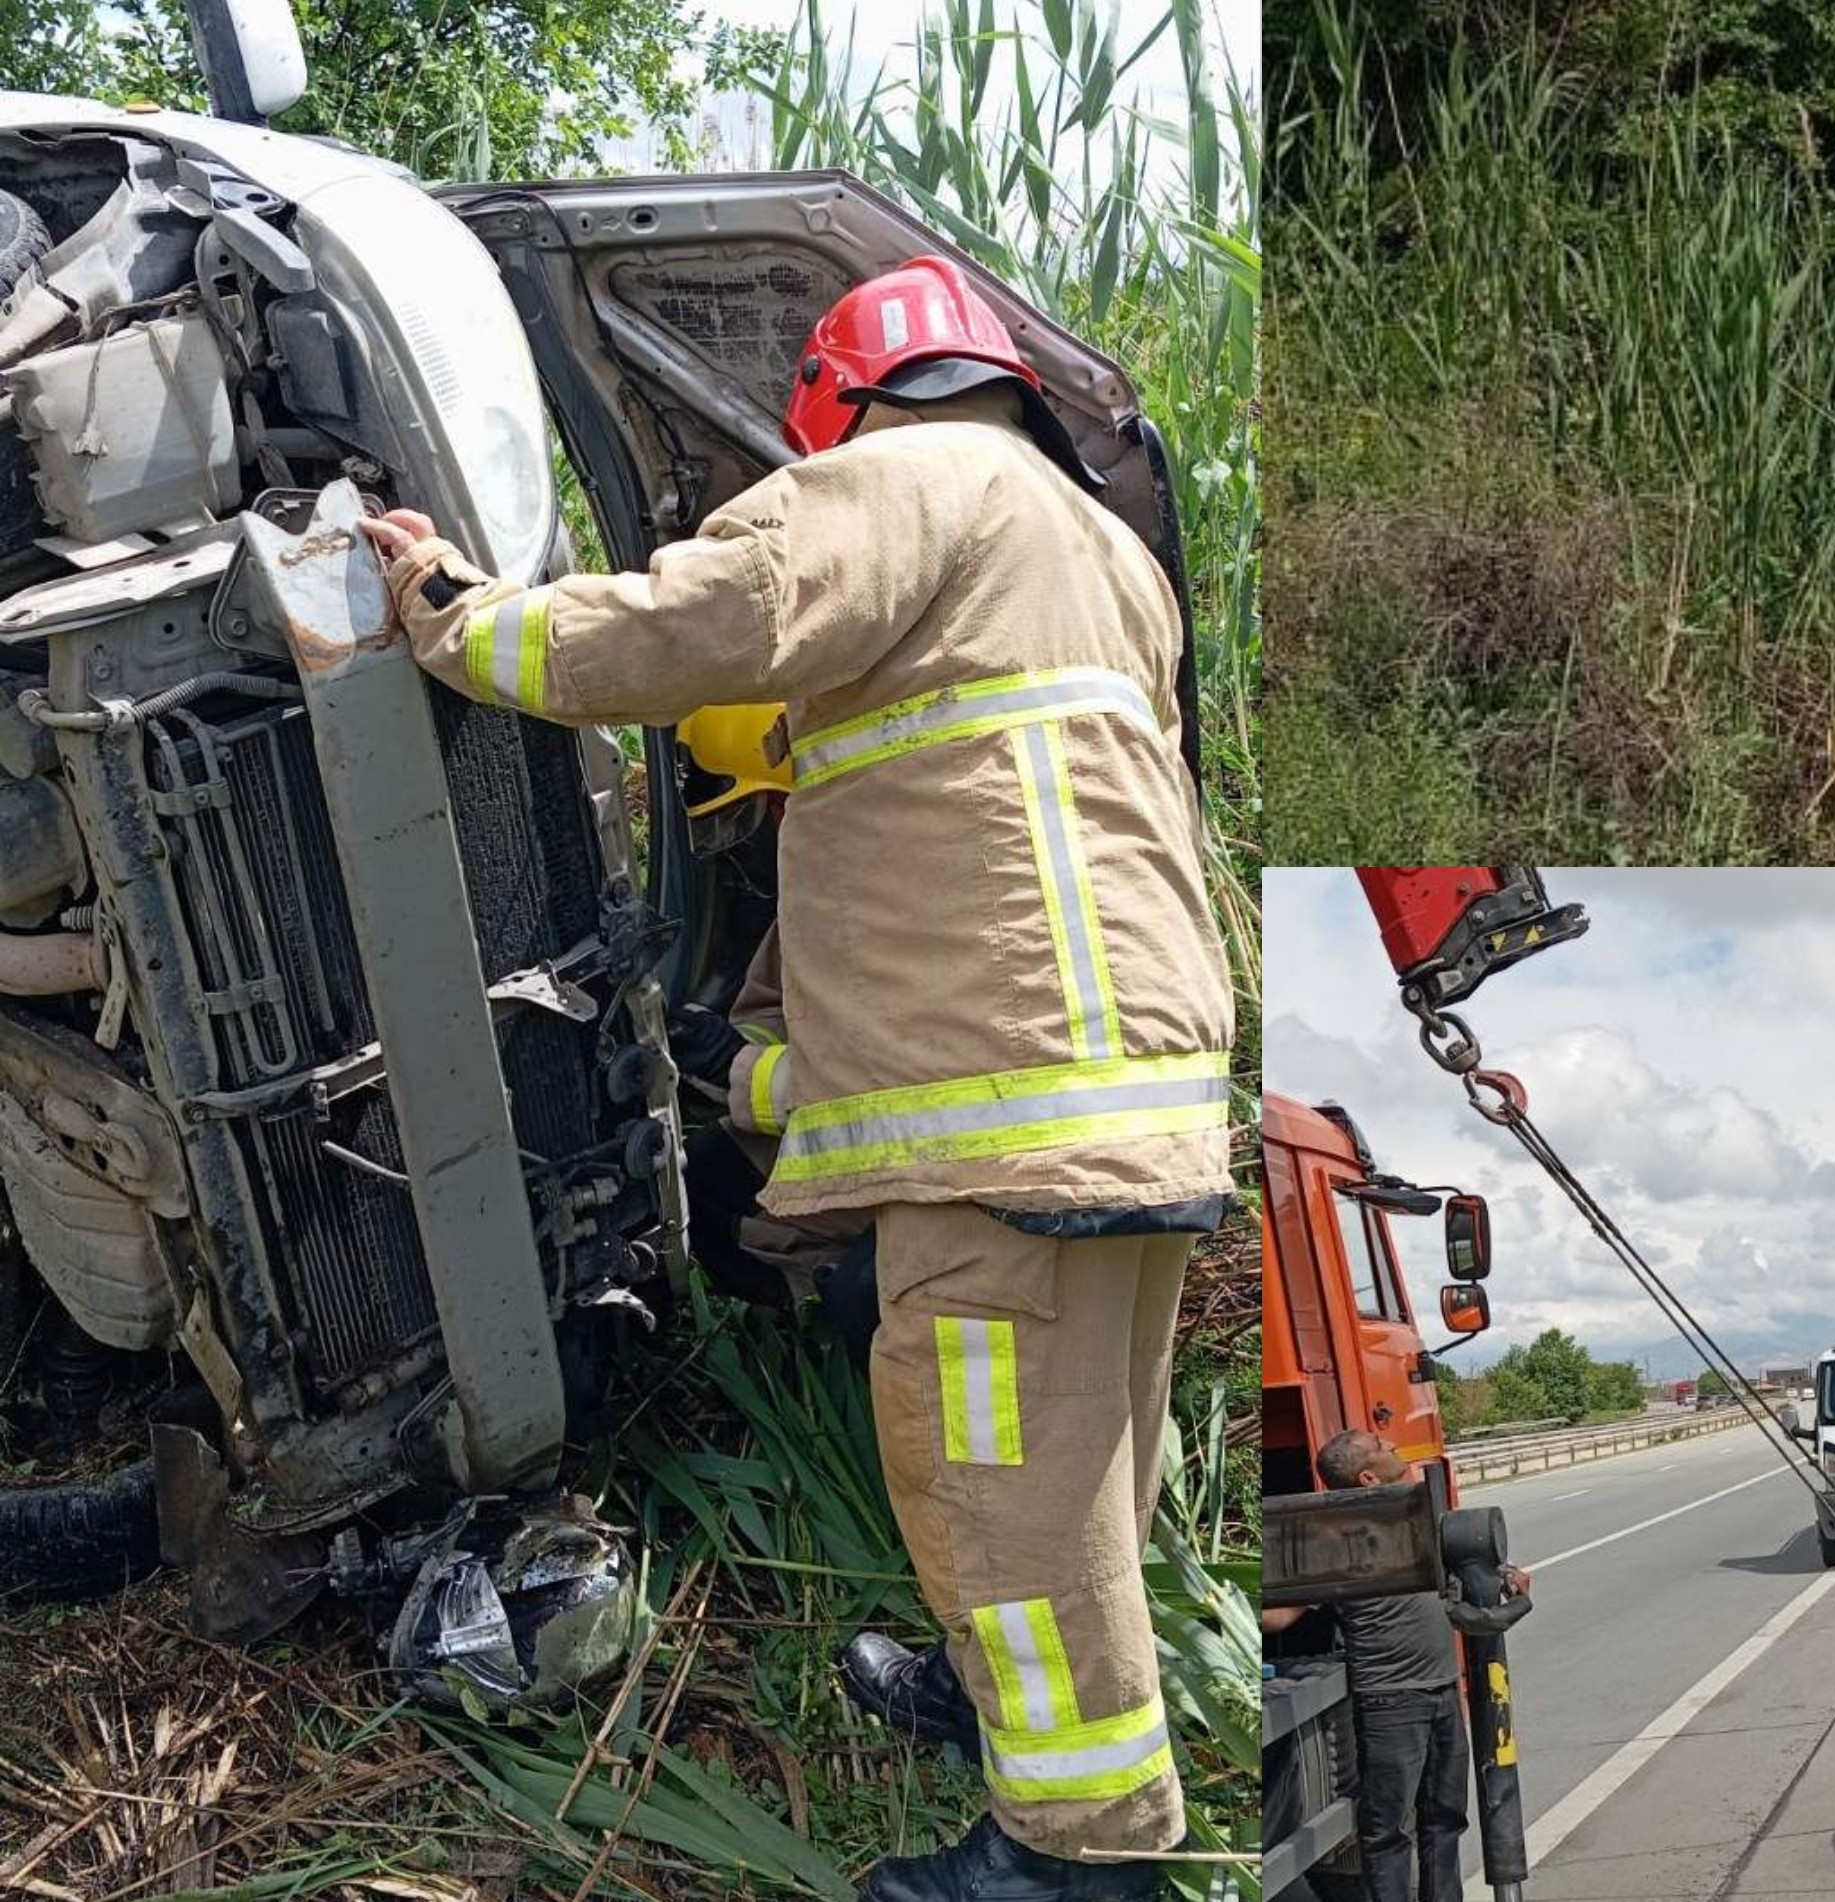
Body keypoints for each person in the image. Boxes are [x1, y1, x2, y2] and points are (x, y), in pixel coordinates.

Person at [360, 256, 1231, 1902]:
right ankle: (1014, 1719)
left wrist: (453, 616)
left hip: (1015, 1130)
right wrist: (741, 1069)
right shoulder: (1094, 551)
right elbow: (951, 898)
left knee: (999, 1479)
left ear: (837, 404)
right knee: (1082, 1465)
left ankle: (1070, 1862)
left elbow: (701, 620)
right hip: (1120, 1095)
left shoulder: (906, 478)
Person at [1261, 1431, 1533, 1902]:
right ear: (1368, 1476)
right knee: (1388, 1831)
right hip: (1390, 1702)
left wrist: (1505, 1575)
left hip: (1444, 1689)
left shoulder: (1417, 1517)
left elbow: (1462, 1571)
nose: (1395, 1448)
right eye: (1384, 1449)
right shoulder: (1334, 1541)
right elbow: (1282, 1613)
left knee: (1446, 1817)